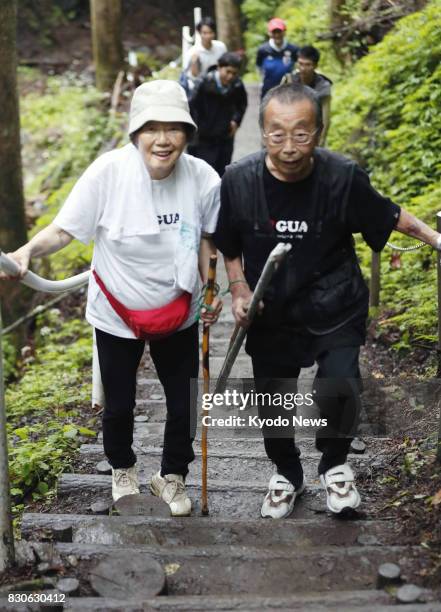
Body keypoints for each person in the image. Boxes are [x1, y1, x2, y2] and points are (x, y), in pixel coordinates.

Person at [213, 83, 441, 519]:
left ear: (319, 132)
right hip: (271, 308)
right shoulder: (239, 181)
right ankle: (286, 474)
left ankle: (335, 465)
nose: (290, 147)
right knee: (273, 397)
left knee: (340, 383)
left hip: (334, 301)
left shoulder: (342, 176)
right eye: (277, 134)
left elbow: (389, 215)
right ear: (262, 133)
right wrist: (239, 289)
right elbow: (229, 244)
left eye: (301, 133)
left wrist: (434, 238)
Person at [1, 80, 223, 516]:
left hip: (179, 311)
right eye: (151, 128)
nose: (163, 140)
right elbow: (65, 229)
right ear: (135, 131)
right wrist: (26, 252)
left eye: (173, 128)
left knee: (184, 403)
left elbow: (207, 240)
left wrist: (211, 286)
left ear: (187, 133)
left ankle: (172, 474)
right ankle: (123, 468)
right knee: (119, 403)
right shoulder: (108, 172)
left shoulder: (202, 177)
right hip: (117, 311)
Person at [187, 52, 248, 176]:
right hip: (204, 138)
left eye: (234, 73)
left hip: (225, 136)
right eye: (228, 72)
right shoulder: (203, 83)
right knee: (204, 174)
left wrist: (236, 121)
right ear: (219, 67)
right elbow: (192, 107)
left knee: (222, 173)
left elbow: (241, 105)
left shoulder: (237, 85)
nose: (230, 76)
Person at [282, 45, 332, 146]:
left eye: (307, 65)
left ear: (315, 66)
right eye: (300, 64)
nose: (303, 68)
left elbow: (325, 118)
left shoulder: (322, 86)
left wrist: (320, 142)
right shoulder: (289, 80)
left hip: (311, 131)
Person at [256, 18, 299, 99]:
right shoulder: (263, 50)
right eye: (274, 32)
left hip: (288, 91)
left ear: (284, 32)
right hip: (268, 90)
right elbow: (259, 67)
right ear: (270, 33)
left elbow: (298, 66)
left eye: (279, 32)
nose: (277, 35)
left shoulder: (293, 49)